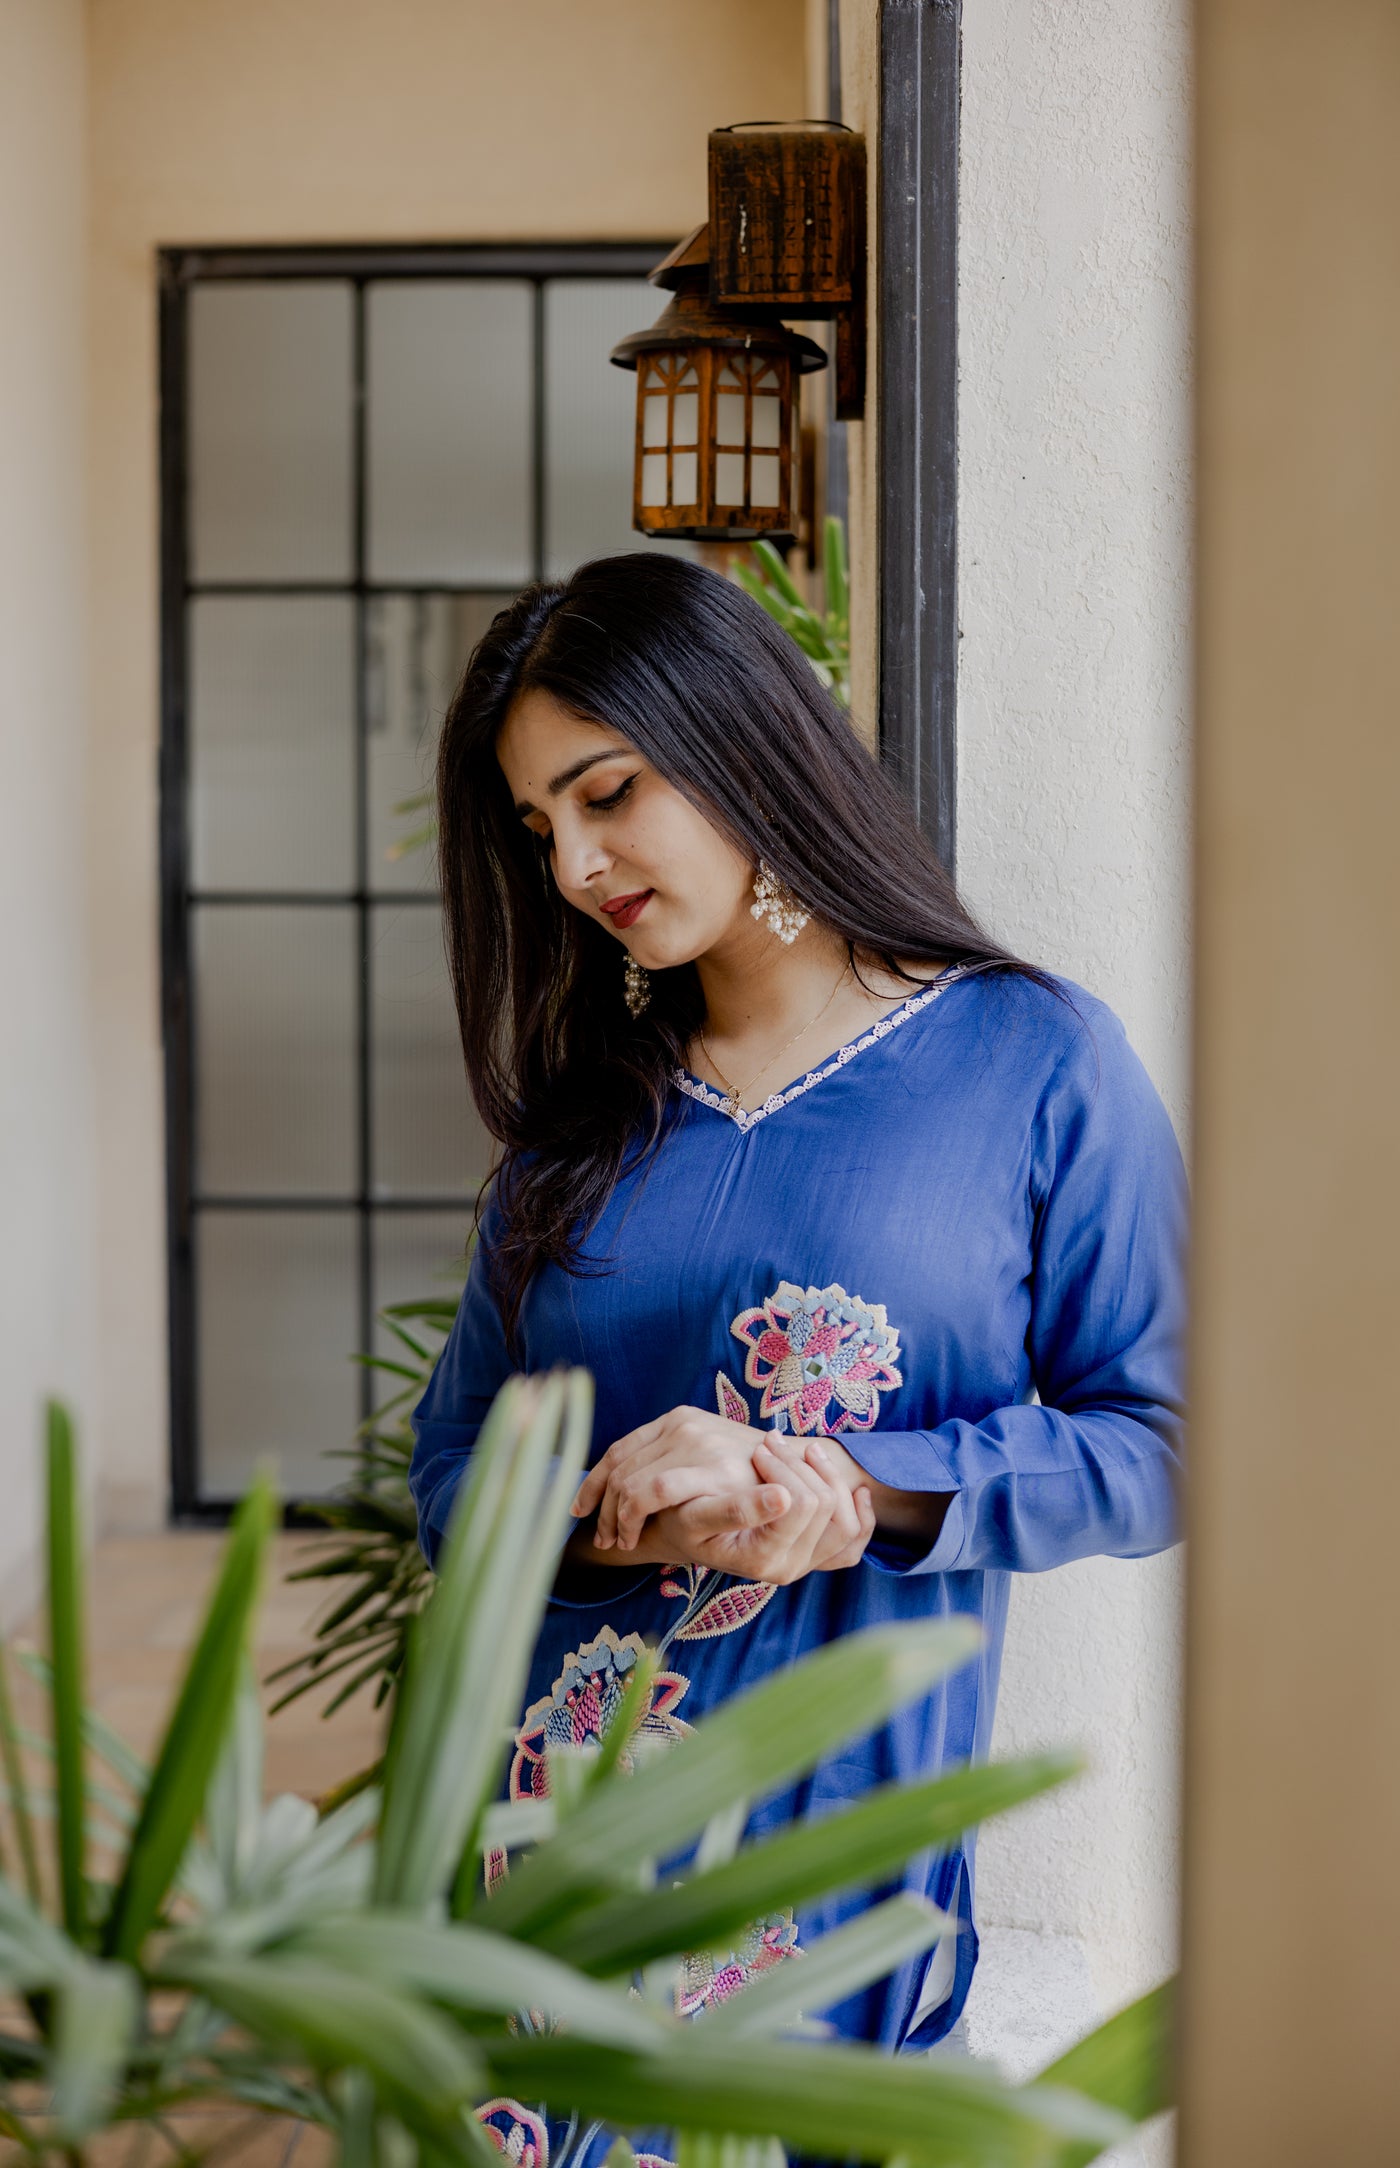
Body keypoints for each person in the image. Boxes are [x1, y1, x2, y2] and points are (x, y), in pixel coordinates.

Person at [409, 552, 1186, 2063]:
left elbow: (1162, 1439)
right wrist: (602, 1507)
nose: (571, 864)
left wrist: (857, 1492)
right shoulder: (578, 1135)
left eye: (607, 791)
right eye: (537, 826)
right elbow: (448, 1473)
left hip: (833, 1867)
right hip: (545, 1859)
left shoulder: (1030, 1059)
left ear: (738, 741)